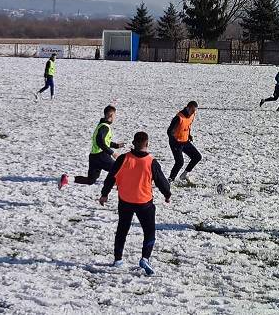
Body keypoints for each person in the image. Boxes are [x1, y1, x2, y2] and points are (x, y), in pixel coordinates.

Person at [99, 131, 172, 276]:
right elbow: (162, 181)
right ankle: (145, 258)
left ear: (133, 143)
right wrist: (167, 194)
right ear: (147, 144)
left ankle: (118, 260)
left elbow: (111, 177)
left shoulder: (123, 158)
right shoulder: (151, 162)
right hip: (144, 202)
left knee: (122, 229)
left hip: (125, 200)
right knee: (149, 231)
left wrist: (104, 194)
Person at [59, 105, 123, 188]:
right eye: (115, 115)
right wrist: (112, 153)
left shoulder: (101, 124)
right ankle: (116, 184)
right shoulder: (105, 127)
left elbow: (104, 141)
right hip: (101, 155)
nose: (115, 117)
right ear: (111, 115)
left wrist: (116, 145)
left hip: (94, 156)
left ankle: (67, 179)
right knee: (118, 169)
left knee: (90, 180)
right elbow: (100, 142)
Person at [167, 101, 202, 184]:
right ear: (188, 108)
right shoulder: (179, 117)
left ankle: (184, 174)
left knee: (197, 157)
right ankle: (170, 180)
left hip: (185, 141)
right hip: (176, 143)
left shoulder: (192, 115)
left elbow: (188, 125)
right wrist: (174, 142)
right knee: (179, 162)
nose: (193, 113)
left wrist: (189, 135)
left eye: (195, 111)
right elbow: (169, 131)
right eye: (192, 110)